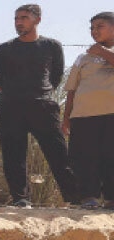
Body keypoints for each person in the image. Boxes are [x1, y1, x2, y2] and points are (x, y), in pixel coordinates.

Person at [0, 4, 77, 208]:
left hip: (42, 106)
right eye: (16, 18)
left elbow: (57, 75)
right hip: (10, 107)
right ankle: (21, 199)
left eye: (23, 17)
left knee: (59, 153)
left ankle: (75, 198)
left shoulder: (51, 46)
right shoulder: (5, 49)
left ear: (37, 20)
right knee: (13, 155)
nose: (18, 22)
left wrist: (43, 93)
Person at [62, 12, 114, 210]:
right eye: (91, 28)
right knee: (85, 158)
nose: (94, 31)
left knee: (111, 156)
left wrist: (101, 52)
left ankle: (111, 198)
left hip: (111, 115)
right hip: (83, 116)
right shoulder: (82, 57)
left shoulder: (100, 52)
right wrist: (66, 117)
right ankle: (89, 197)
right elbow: (72, 89)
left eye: (99, 26)